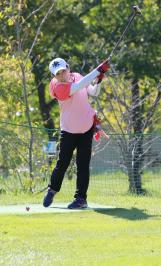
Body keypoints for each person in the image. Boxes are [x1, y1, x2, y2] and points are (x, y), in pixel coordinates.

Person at [43, 57, 110, 209]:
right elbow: (78, 86)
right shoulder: (56, 86)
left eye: (63, 70)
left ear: (68, 67)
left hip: (86, 128)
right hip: (68, 130)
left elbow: (93, 92)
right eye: (57, 73)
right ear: (54, 76)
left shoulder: (78, 76)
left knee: (83, 165)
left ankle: (81, 199)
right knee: (62, 163)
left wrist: (98, 79)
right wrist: (97, 70)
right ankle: (52, 190)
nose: (61, 74)